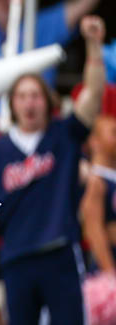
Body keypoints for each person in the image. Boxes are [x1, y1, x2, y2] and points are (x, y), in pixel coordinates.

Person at [0, 15, 107, 325]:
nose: (29, 103)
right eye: (21, 96)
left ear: (47, 101)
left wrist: (94, 45)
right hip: (16, 258)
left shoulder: (64, 134)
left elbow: (93, 97)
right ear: (12, 104)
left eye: (35, 95)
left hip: (60, 252)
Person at [80, 115, 116, 274]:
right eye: (114, 133)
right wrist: (110, 273)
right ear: (95, 141)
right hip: (107, 265)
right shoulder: (95, 181)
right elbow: (93, 229)